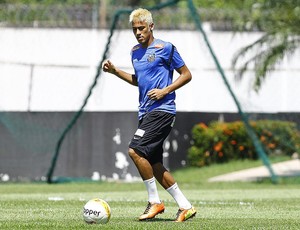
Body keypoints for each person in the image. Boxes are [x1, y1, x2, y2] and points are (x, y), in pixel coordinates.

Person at [102, 8, 196, 222]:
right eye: (134, 29)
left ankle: (155, 202)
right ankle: (185, 206)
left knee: (135, 150)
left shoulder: (166, 48)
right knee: (153, 164)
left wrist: (165, 90)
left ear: (151, 26)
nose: (138, 33)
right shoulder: (135, 51)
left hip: (163, 110)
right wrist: (116, 72)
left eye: (141, 28)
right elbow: (139, 80)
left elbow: (186, 74)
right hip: (145, 112)